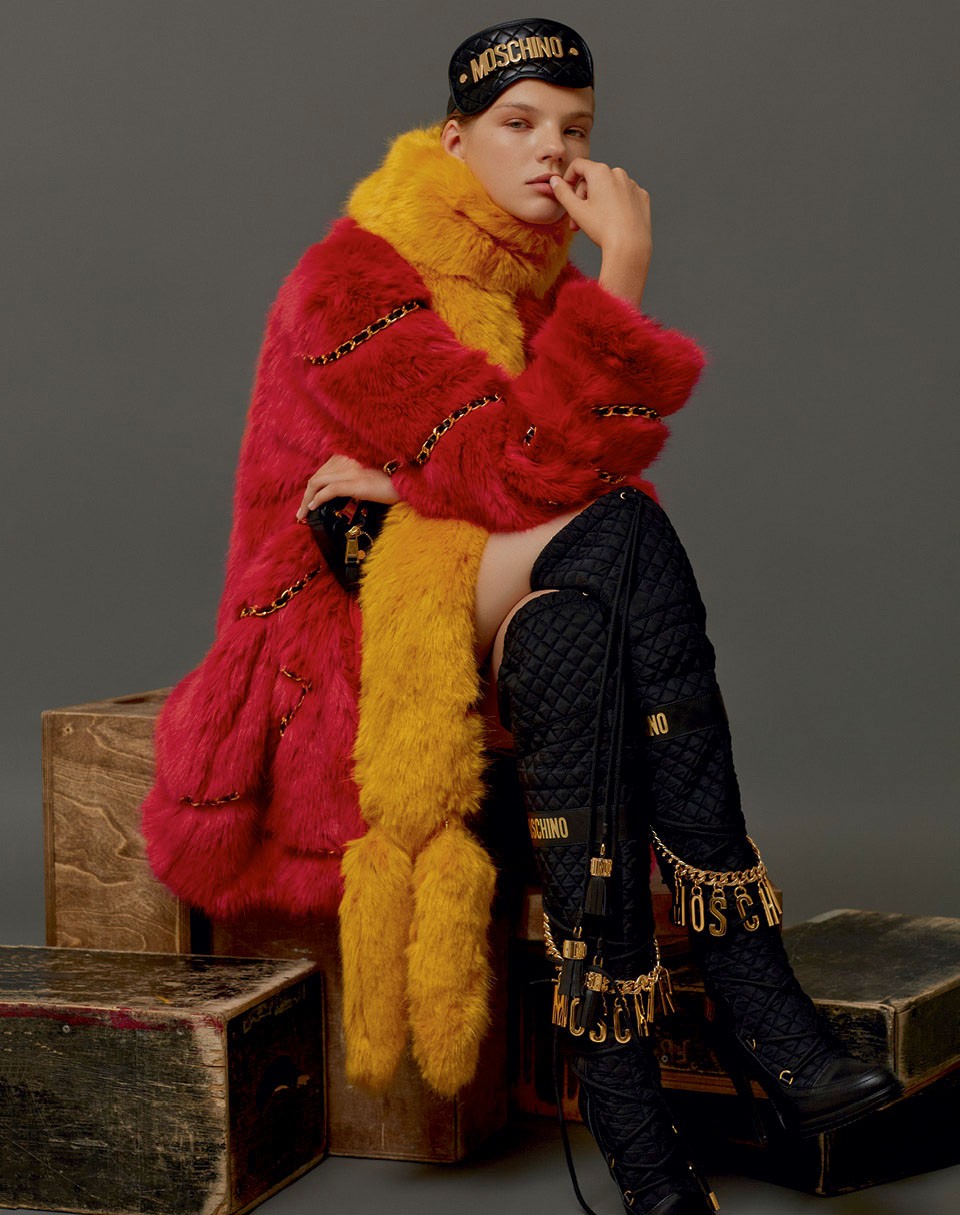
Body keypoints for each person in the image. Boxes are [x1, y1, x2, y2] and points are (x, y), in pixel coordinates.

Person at [141, 17, 902, 1215]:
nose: (554, 150)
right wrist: (626, 271)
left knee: (573, 634)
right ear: (455, 140)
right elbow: (529, 475)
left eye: (576, 128)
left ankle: (640, 1150)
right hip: (335, 621)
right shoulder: (354, 278)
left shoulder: (531, 279)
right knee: (624, 531)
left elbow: (528, 483)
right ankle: (760, 1000)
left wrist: (415, 484)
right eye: (520, 123)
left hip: (462, 572)